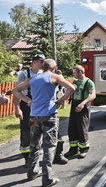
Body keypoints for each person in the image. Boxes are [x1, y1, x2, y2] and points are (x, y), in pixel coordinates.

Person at [13, 59, 75, 187]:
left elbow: (15, 90)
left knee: (34, 145)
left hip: (34, 116)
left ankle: (32, 172)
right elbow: (71, 87)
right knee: (49, 147)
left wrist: (28, 100)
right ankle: (48, 179)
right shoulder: (54, 76)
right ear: (53, 67)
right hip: (49, 115)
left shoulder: (33, 78)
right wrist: (59, 101)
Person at [14, 54, 44, 165]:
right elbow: (16, 92)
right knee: (26, 131)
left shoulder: (43, 73)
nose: (43, 63)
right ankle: (27, 157)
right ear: (35, 62)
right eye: (41, 61)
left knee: (38, 129)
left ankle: (35, 153)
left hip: (40, 105)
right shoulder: (24, 74)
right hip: (26, 105)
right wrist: (17, 109)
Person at [64, 65, 96, 159]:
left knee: (82, 128)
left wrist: (82, 104)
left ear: (81, 72)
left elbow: (93, 95)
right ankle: (73, 149)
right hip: (74, 105)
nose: (73, 74)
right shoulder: (75, 81)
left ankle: (84, 149)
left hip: (83, 106)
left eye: (74, 73)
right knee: (72, 128)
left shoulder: (89, 82)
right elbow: (70, 91)